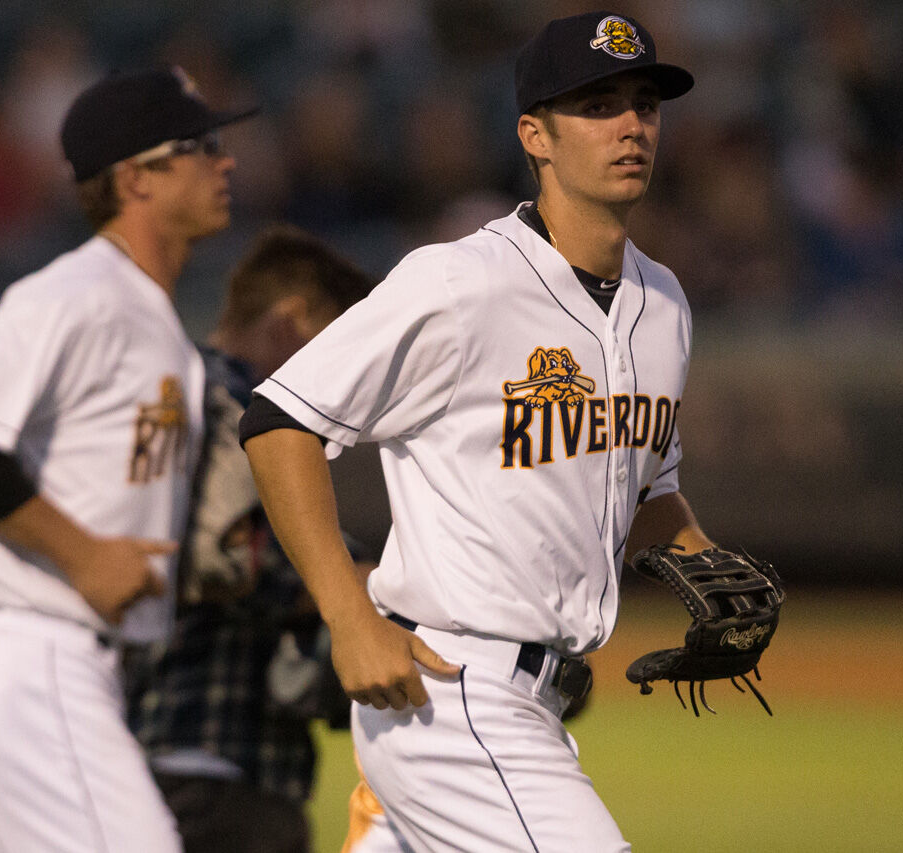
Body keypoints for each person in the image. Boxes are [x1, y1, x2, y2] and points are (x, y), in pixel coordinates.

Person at [241, 12, 710, 851]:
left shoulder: (664, 304)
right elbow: (278, 419)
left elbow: (638, 486)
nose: (631, 125)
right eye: (598, 106)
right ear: (535, 135)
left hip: (536, 701)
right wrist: (349, 616)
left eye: (645, 103)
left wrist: (702, 561)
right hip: (454, 692)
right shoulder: (461, 282)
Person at [0, 66, 256, 852]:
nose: (225, 161)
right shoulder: (80, 292)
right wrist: (85, 553)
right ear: (135, 178)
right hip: (30, 649)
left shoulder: (143, 310)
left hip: (17, 660)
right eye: (200, 146)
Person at [123, 225, 376, 853]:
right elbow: (234, 562)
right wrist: (395, 587)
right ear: (290, 323)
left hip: (150, 750)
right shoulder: (233, 405)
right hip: (214, 763)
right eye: (338, 346)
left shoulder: (168, 394)